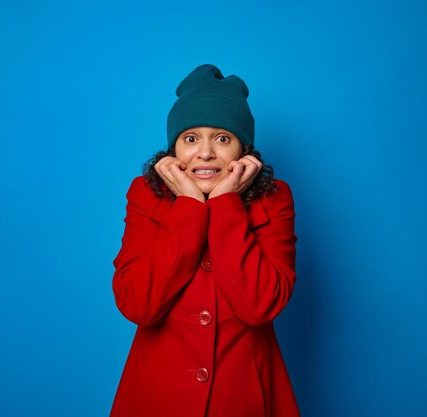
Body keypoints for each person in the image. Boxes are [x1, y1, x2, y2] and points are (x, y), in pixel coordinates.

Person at [110, 64, 301, 417]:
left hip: (244, 397)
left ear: (244, 149)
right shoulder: (144, 196)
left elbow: (261, 305)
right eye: (191, 138)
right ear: (174, 149)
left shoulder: (274, 199)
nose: (206, 153)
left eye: (223, 138)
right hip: (159, 396)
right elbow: (139, 305)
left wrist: (225, 204)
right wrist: (189, 207)